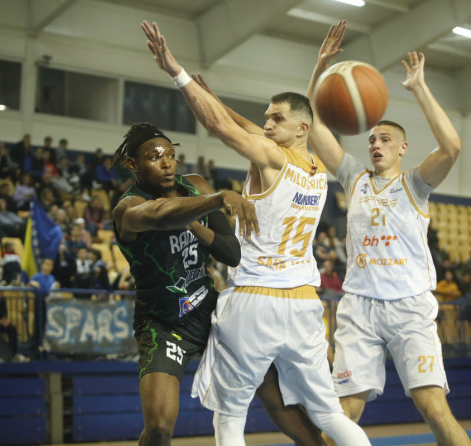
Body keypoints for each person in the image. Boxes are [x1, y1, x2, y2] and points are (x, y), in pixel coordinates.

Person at [141, 20, 369, 446]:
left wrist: (177, 72)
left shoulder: (272, 157)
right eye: (266, 117)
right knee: (330, 414)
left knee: (229, 417)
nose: (266, 124)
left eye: (275, 118)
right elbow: (258, 123)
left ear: (300, 129)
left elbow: (219, 127)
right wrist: (317, 68)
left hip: (256, 300)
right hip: (304, 305)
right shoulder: (317, 167)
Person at [306, 20, 470, 445]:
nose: (375, 145)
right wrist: (320, 70)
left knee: (434, 408)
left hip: (409, 306)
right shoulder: (354, 177)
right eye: (371, 139)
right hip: (359, 307)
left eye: (384, 139)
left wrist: (419, 88)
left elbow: (452, 146)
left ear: (402, 148)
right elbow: (314, 127)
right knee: (343, 414)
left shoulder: (416, 183)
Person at [112, 120, 321, 446]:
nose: (167, 164)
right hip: (163, 324)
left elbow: (231, 253)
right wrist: (217, 199)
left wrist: (198, 222)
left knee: (273, 388)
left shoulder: (196, 185)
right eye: (155, 157)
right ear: (132, 164)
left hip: (210, 310)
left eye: (170, 155)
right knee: (159, 428)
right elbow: (159, 215)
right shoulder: (128, 208)